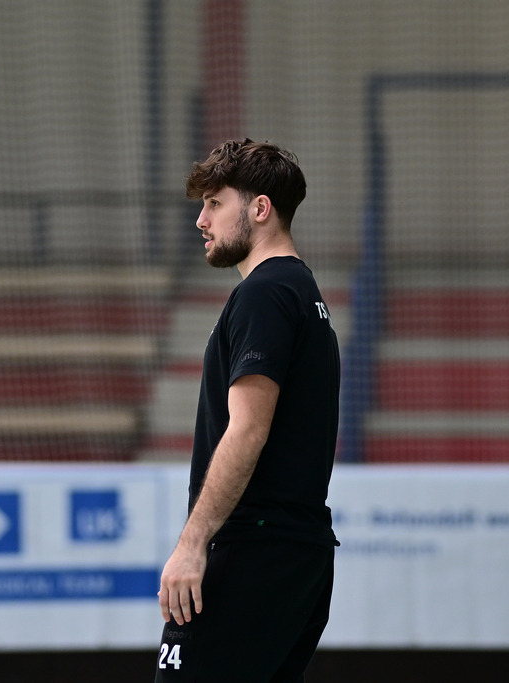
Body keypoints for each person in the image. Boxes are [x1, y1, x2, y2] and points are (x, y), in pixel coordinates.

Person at [155, 139, 341, 682]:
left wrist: (191, 547)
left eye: (215, 203)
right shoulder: (302, 292)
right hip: (297, 554)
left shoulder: (266, 292)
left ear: (260, 209)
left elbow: (248, 429)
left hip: (253, 551)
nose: (200, 220)